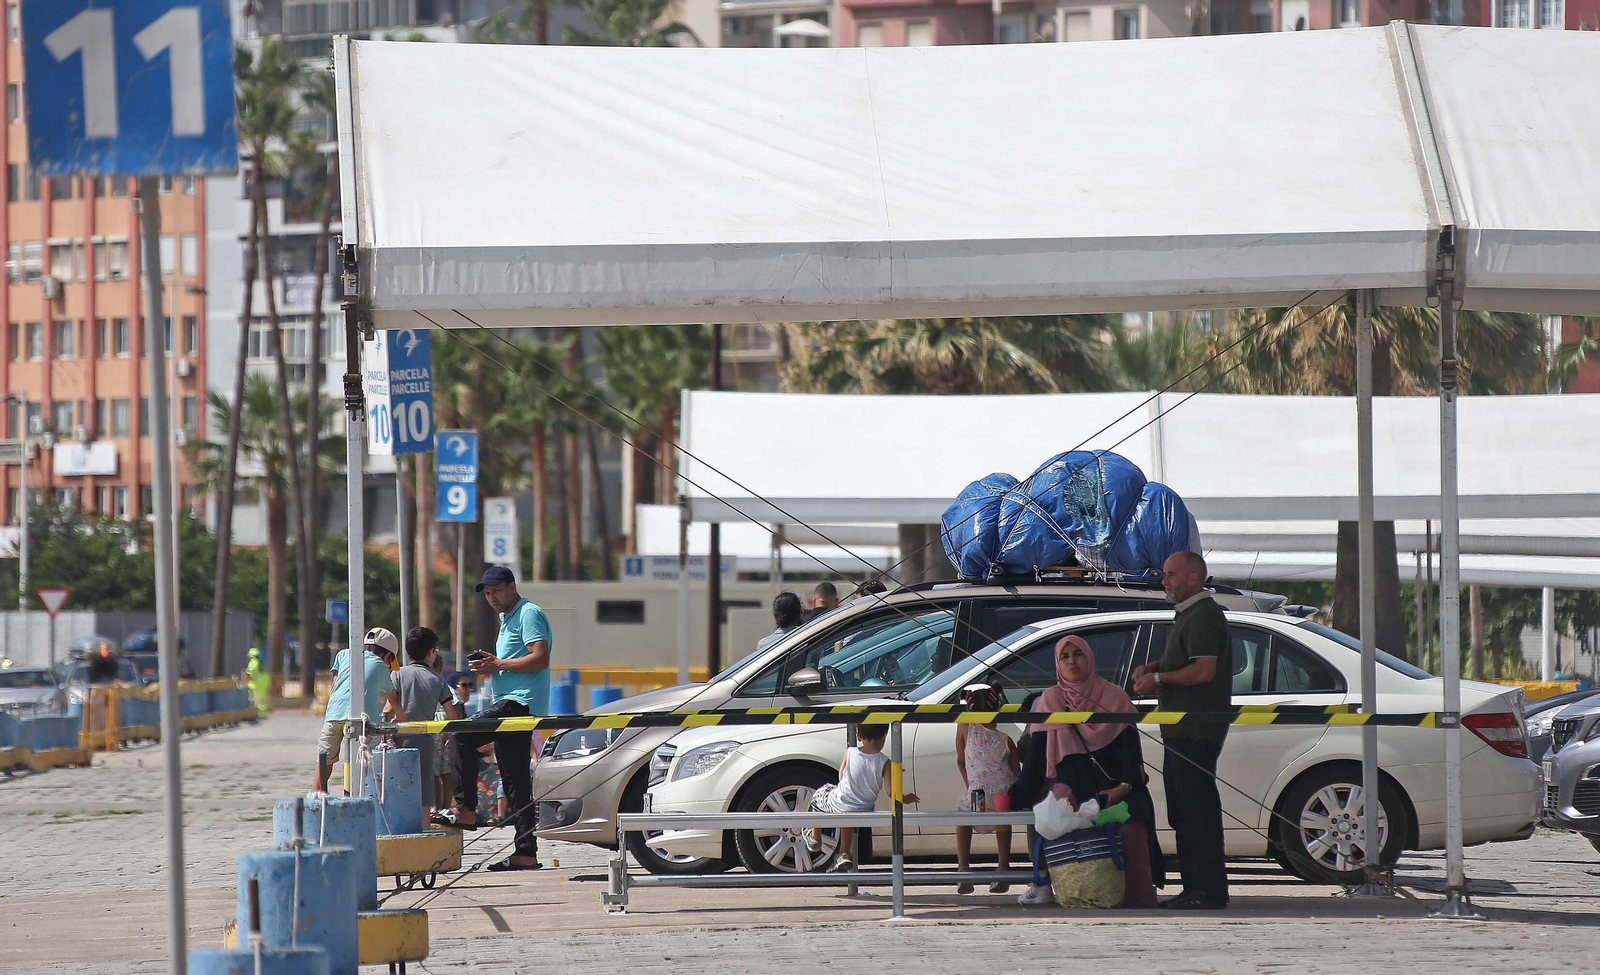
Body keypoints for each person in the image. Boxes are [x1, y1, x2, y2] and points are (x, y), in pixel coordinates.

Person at [1011, 635, 1165, 908]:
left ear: (1089, 658)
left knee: (1135, 810)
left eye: (1078, 654)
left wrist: (1123, 789)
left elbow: (1132, 754)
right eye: (1065, 657)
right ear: (1058, 664)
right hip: (1074, 789)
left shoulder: (1114, 697)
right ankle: (1050, 884)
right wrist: (1009, 799)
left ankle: (1134, 893)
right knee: (1048, 806)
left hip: (1116, 787)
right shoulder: (1051, 700)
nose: (1072, 661)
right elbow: (1034, 764)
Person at [1132, 551, 1231, 910]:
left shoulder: (1204, 614)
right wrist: (1155, 666)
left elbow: (1204, 670)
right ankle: (1195, 889)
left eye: (1171, 574)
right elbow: (1185, 660)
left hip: (1195, 731)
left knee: (1196, 813)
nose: (1164, 581)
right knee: (1183, 811)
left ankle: (1206, 891)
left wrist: (1158, 678)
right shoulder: (1189, 614)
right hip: (1180, 731)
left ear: (1193, 578)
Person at [436, 566, 552, 872]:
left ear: (512, 586)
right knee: (515, 780)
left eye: (497, 591)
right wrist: (493, 664)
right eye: (488, 594)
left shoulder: (528, 613)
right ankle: (526, 852)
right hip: (512, 702)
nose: (492, 598)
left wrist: (498, 663)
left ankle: (466, 809)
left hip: (520, 702)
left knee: (461, 734)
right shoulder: (507, 618)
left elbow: (541, 657)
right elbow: (516, 661)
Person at [803, 723, 918, 872]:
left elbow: (841, 775)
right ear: (884, 736)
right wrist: (906, 798)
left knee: (819, 794)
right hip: (865, 807)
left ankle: (814, 838)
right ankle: (844, 853)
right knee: (849, 812)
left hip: (842, 801)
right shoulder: (886, 763)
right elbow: (891, 792)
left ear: (858, 736)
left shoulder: (850, 752)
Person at [314, 627, 403, 794]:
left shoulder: (343, 654)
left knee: (325, 758)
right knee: (363, 763)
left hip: (334, 714)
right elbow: (394, 700)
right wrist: (405, 723)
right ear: (388, 655)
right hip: (361, 721)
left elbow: (335, 685)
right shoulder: (381, 666)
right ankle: (358, 797)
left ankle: (316, 795)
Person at [392, 627, 464, 820]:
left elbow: (388, 708)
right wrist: (450, 735)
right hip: (424, 740)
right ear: (431, 652)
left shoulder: (397, 675)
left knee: (398, 785)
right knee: (424, 789)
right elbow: (452, 715)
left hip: (398, 737)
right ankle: (423, 827)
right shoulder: (438, 680)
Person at [954, 683, 1018, 894]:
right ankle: (1003, 867)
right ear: (998, 710)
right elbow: (1015, 772)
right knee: (1003, 820)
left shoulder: (966, 727)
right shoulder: (1006, 740)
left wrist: (971, 785)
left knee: (963, 814)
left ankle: (963, 867)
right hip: (1003, 794)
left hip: (978, 792)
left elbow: (961, 760)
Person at [245, 647, 269, 719]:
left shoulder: (252, 663)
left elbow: (249, 674)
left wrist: (246, 681)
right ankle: (263, 713)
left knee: (253, 696)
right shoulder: (260, 662)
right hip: (264, 681)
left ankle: (256, 712)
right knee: (263, 697)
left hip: (257, 682)